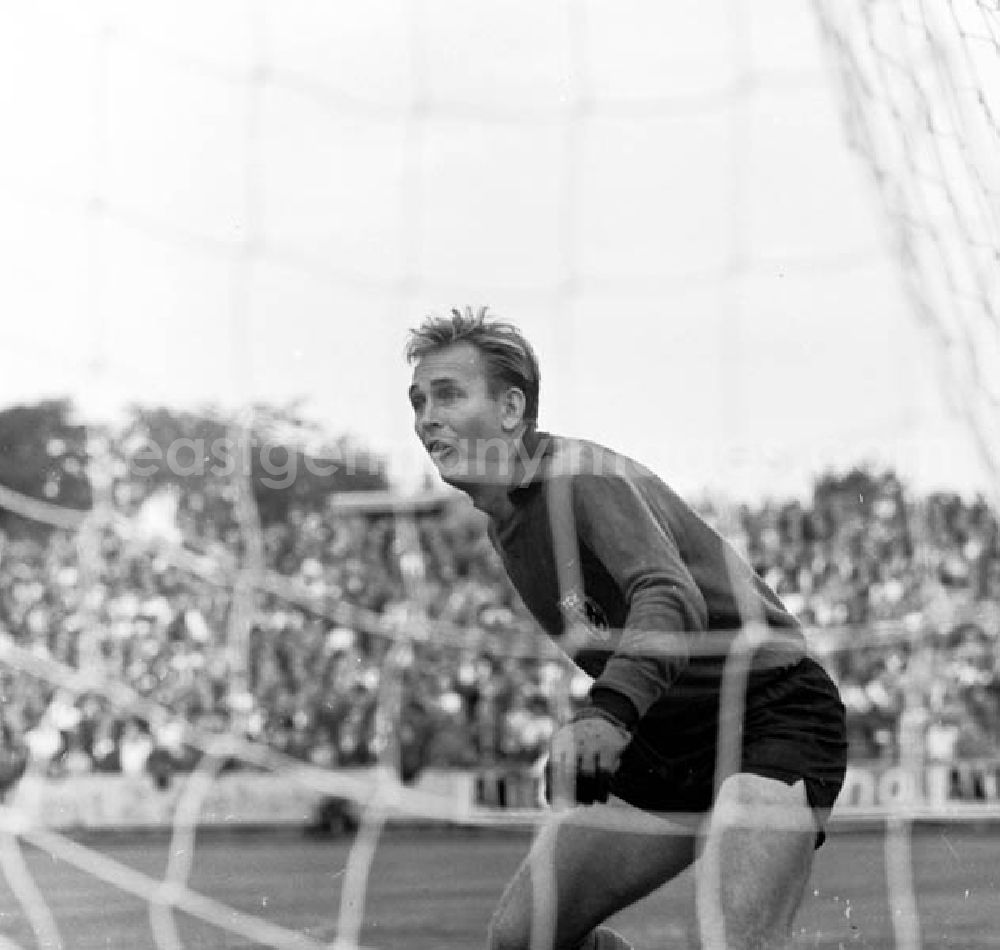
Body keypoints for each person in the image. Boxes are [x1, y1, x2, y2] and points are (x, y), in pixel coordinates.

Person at [405, 307, 848, 950]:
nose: (425, 418)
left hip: (768, 711)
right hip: (666, 737)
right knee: (523, 938)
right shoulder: (506, 519)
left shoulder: (576, 474)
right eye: (418, 401)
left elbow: (670, 595)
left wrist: (606, 715)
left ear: (510, 409)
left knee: (738, 942)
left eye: (447, 394)